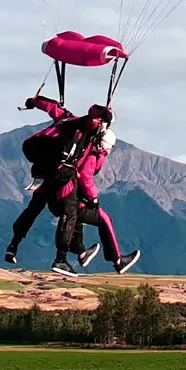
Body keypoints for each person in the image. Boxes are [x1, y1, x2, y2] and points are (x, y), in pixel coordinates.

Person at [49, 105, 140, 278]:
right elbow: (85, 176)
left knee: (76, 219)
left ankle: (83, 253)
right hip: (72, 195)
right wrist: (94, 199)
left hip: (68, 195)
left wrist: (106, 119)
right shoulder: (93, 153)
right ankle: (117, 261)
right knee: (104, 219)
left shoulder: (88, 146)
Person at [3, 92, 83, 267]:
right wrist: (104, 114)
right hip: (54, 173)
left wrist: (33, 102)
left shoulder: (64, 116)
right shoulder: (81, 126)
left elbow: (50, 106)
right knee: (70, 212)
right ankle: (63, 258)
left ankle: (13, 245)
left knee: (33, 209)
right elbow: (90, 118)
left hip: (38, 159)